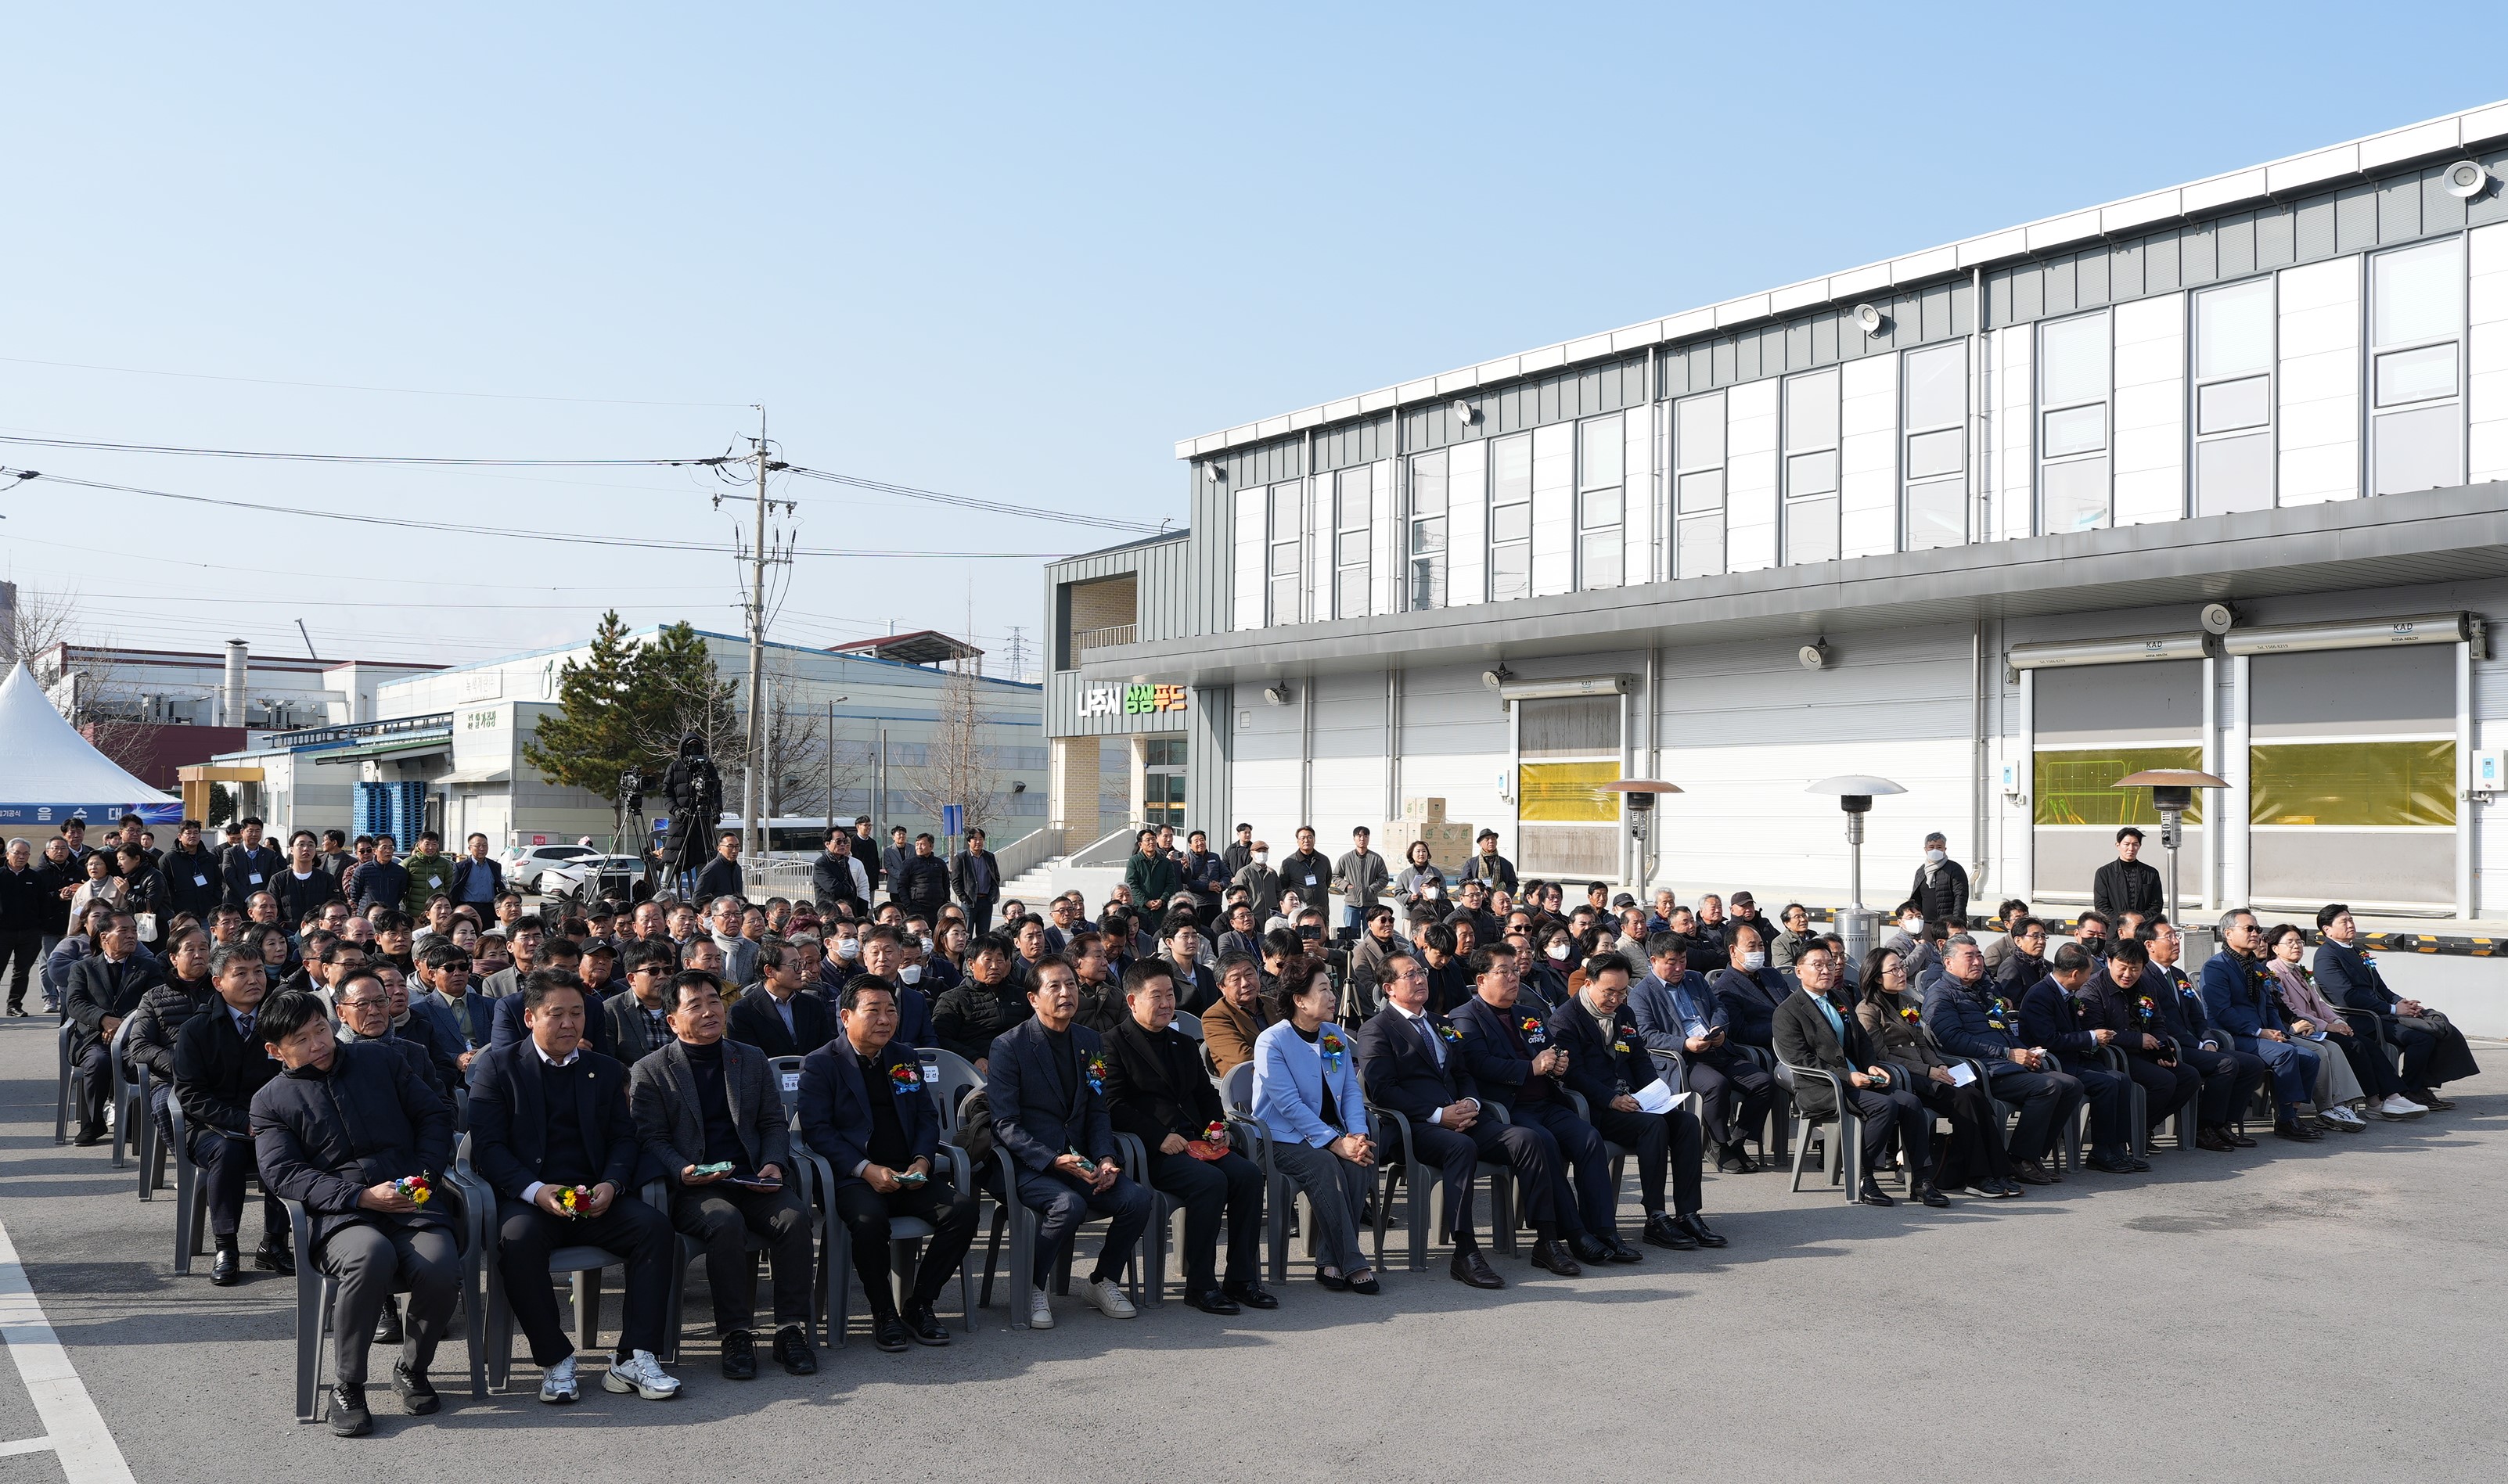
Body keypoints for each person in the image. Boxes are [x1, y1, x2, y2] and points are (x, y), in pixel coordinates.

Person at [250, 990, 461, 1437]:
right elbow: (283, 1174)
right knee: (371, 1255)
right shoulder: (270, 1101)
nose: (318, 1044)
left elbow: (434, 1116)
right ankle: (349, 1384)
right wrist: (361, 1198)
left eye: (321, 1030)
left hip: (410, 1198)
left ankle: (412, 1367)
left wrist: (420, 1179)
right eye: (302, 1039)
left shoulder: (380, 1061)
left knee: (441, 1265)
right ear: (275, 1051)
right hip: (341, 1215)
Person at [467, 972, 682, 1403]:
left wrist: (613, 1183)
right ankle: (555, 1359)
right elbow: (488, 1149)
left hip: (594, 1198)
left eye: (577, 1014)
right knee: (517, 1240)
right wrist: (534, 1191)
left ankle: (633, 1355)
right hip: (531, 1199)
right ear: (529, 1017)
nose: (569, 1024)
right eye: (556, 1014)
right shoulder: (496, 1066)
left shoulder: (603, 1070)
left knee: (655, 1229)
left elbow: (625, 1138)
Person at [628, 971, 818, 1379]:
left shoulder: (749, 1057)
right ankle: (735, 1333)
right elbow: (651, 1139)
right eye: (695, 1005)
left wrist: (773, 1163)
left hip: (751, 1177)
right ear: (673, 1021)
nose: (710, 1011)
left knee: (795, 1217)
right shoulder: (651, 1070)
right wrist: (683, 1169)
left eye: (714, 1001)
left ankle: (790, 1328)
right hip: (696, 1187)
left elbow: (772, 1123)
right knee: (725, 1222)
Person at [1356, 947, 1565, 1288]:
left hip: (1463, 1116)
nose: (1421, 978)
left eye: (1421, 972)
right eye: (1410, 975)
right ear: (1389, 987)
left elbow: (1462, 1071)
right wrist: (1439, 1115)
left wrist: (1470, 1102)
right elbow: (1383, 1090)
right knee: (1459, 1148)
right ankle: (1465, 1251)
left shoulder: (1441, 1023)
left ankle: (1547, 1239)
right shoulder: (1376, 1029)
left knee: (1528, 1139)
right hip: (1417, 1127)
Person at [797, 976, 978, 1350]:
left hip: (907, 1172)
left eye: (891, 1010)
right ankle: (884, 1313)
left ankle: (919, 1303)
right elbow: (817, 1131)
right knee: (868, 1221)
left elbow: (925, 1116)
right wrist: (866, 1169)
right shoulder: (821, 1064)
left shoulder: (903, 1057)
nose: (885, 1019)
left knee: (962, 1212)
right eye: (873, 1011)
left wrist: (923, 1161)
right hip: (854, 1178)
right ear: (846, 1016)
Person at [984, 955, 1151, 1328]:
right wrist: (1053, 1160)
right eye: (1054, 987)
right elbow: (1006, 1125)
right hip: (1026, 1163)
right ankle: (1031, 1285)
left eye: (1071, 985)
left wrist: (1106, 1158)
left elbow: (1097, 1110)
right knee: (1067, 1204)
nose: (1066, 993)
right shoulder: (1009, 1046)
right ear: (1033, 998)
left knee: (1138, 1198)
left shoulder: (1090, 1041)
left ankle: (1102, 1280)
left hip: (1080, 1160)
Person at [1103, 959, 1274, 1312]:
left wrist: (1217, 1128)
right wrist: (1158, 1136)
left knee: (1247, 1175)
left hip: (1197, 1142)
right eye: (1157, 996)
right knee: (1209, 1182)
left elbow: (1206, 1095)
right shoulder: (1111, 1044)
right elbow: (1112, 1104)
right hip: (1152, 1150)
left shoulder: (1182, 1042)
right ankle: (1200, 1284)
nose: (1167, 1003)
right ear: (1132, 1001)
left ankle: (1241, 1278)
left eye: (1170, 995)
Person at [1547, 954, 1724, 1249]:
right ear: (1589, 983)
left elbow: (1639, 1059)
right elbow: (1572, 1075)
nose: (1616, 1000)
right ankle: (1655, 1216)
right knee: (1652, 1127)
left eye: (1622, 992)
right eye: (1609, 992)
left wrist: (1656, 1093)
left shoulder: (1624, 1014)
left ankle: (1688, 1213)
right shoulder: (1566, 1019)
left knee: (1687, 1122)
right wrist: (1611, 1099)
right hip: (1595, 1106)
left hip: (1633, 1101)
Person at [1774, 941, 1945, 1207]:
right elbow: (1802, 1060)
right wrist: (1847, 1076)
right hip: (1822, 1087)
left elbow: (1863, 1041)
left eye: (1830, 964)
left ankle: (1922, 1181)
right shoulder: (1787, 1012)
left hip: (1858, 1080)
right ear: (1799, 971)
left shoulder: (1840, 998)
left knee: (1911, 1104)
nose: (1826, 971)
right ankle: (1865, 1177)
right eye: (1818, 965)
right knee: (1885, 1106)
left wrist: (1870, 1065)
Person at [1249, 954, 1380, 1295]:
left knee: (1358, 1164)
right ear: (1300, 1000)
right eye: (1324, 988)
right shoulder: (1272, 1041)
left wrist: (1356, 1134)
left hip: (1328, 1133)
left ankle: (1329, 1261)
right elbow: (1288, 1105)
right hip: (1279, 1138)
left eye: (1332, 987)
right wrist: (1335, 1143)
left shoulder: (1333, 1034)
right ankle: (1353, 1261)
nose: (1333, 995)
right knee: (1327, 1165)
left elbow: (1351, 1090)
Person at [1853, 946, 2017, 1198]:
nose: (1901, 973)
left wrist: (1939, 1065)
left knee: (1976, 1096)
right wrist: (1927, 1071)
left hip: (1928, 1070)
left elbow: (1921, 1043)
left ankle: (1999, 1171)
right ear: (1877, 977)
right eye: (1894, 969)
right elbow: (1879, 1056)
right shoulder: (1868, 1010)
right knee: (1963, 1101)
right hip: (1903, 1077)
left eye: (1902, 967)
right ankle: (1977, 1177)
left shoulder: (1907, 1001)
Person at [1922, 936, 2087, 1184]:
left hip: (2007, 1065)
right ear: (1948, 962)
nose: (1978, 961)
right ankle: (2018, 1159)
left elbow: (2005, 1031)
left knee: (2072, 1085)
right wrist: (2007, 1054)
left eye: (1978, 955)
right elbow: (1952, 1040)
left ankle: (2032, 1156)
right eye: (1970, 957)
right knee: (2048, 1087)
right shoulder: (1942, 995)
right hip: (1984, 1071)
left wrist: (2026, 1053)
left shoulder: (1983, 991)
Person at [173, 943, 292, 1281]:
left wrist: (271, 1122)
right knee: (228, 1152)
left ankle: (275, 1243)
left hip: (270, 1123)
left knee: (287, 1146)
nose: (253, 979)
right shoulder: (197, 1029)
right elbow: (190, 1094)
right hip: (212, 1127)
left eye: (258, 971)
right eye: (240, 973)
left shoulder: (279, 1022)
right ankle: (227, 1246)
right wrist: (242, 1122)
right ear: (218, 983)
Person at [1628, 932, 1774, 1174]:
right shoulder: (1642, 993)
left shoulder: (1695, 979)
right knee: (1716, 1085)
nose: (1678, 968)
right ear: (1654, 961)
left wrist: (1719, 1030)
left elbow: (1718, 1007)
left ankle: (1736, 1140)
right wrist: (1685, 1043)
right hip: (1684, 1058)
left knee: (1764, 1082)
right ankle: (1718, 1144)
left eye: (1683, 960)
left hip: (1716, 1048)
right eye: (1671, 962)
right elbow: (1646, 1035)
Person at [2315, 904, 2477, 1110]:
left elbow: (2381, 988)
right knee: (2421, 1038)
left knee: (2438, 1027)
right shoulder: (2327, 956)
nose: (2350, 924)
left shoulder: (2358, 951)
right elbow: (2347, 997)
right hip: (2362, 1019)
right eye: (2343, 921)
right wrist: (2392, 1010)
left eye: (2351, 919)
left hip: (2382, 1013)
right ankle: (2408, 1091)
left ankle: (2418, 1087)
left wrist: (2402, 1003)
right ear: (2327, 929)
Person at [2262, 923, 2408, 1125]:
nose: (2296, 946)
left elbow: (2320, 1004)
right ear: (2276, 948)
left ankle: (2391, 1097)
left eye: (2299, 942)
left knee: (2365, 1042)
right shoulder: (2274, 971)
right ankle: (2367, 1102)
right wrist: (2326, 1026)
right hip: (2301, 1028)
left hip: (2316, 1025)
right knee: (2351, 1046)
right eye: (2290, 942)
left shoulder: (2298, 970)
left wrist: (2337, 1021)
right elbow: (2290, 1010)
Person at [2141, 918, 2267, 1151]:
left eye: (2175, 935)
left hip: (2195, 1044)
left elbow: (2198, 1016)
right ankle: (2203, 1128)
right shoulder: (2144, 976)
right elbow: (2163, 1023)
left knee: (2252, 1064)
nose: (2176, 941)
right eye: (2169, 937)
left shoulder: (2177, 974)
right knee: (2226, 1064)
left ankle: (2223, 1124)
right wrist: (2199, 1045)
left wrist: (2208, 1038)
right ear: (2150, 945)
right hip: (2171, 1047)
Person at [2015, 944, 2143, 1173]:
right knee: (2107, 1084)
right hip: (2054, 1062)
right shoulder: (2040, 995)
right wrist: (2091, 1037)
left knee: (2122, 1080)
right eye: (2088, 972)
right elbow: (2049, 1040)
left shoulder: (2066, 993)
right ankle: (2101, 1151)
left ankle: (2117, 1148)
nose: (2091, 976)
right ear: (2075, 974)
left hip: (2074, 1059)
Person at [2200, 910, 2325, 1144]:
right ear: (2228, 934)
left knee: (2310, 1058)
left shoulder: (2257, 968)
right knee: (2287, 1054)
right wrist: (2260, 1032)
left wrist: (2280, 1033)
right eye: (2249, 929)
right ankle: (2286, 1120)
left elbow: (2270, 1007)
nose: (2256, 934)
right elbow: (2222, 1012)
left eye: (2258, 929)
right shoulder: (2216, 967)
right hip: (2233, 1036)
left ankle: (2289, 1117)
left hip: (2262, 1035)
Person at [2073, 939, 2207, 1150]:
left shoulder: (2146, 984)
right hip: (2114, 1054)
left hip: (2145, 1050)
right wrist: (2138, 1040)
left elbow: (2158, 1021)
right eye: (2123, 968)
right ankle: (2129, 1133)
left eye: (2134, 969)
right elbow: (2097, 1032)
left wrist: (2162, 1047)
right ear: (2109, 962)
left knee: (2189, 1077)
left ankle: (2142, 1127)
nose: (2128, 975)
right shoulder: (2093, 990)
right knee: (2163, 1082)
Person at [64, 909, 160, 1145]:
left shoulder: (149, 966)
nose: (132, 935)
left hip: (134, 1037)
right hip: (95, 1037)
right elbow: (74, 1003)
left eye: (134, 931)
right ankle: (93, 1123)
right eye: (124, 930)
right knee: (98, 1061)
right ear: (104, 937)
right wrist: (104, 1019)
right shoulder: (83, 968)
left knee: (139, 1065)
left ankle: (131, 1123)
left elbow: (154, 1000)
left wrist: (124, 1024)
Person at [931, 933, 1030, 1071]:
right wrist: (973, 1058)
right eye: (988, 959)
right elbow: (941, 1038)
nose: (994, 966)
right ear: (971, 964)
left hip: (1019, 1065)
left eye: (1000, 960)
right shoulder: (954, 999)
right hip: (974, 1072)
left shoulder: (1021, 995)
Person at [726, 938, 833, 1057]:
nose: (800, 970)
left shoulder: (813, 1005)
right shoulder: (742, 1011)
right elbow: (748, 1060)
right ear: (769, 971)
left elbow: (825, 1050)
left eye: (801, 963)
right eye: (794, 965)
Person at [1709, 921, 1790, 1051]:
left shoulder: (1771, 974)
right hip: (1771, 1050)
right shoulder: (1724, 989)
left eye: (1761, 945)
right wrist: (1786, 1028)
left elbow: (1792, 1004)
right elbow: (1740, 1033)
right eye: (1752, 947)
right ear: (1733, 950)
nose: (1758, 951)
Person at [1200, 950, 1274, 1080]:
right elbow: (1244, 1059)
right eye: (1236, 979)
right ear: (1222, 987)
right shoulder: (1214, 1017)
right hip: (1247, 1086)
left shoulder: (1272, 1003)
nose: (1245, 983)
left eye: (1249, 974)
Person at [2092, 828, 2165, 920]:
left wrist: (2139, 919)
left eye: (2135, 844)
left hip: (2143, 929)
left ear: (2139, 846)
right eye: (2126, 844)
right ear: (2118, 845)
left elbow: (2157, 905)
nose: (2131, 848)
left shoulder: (2151, 873)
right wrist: (2123, 922)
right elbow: (2101, 906)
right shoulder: (2104, 873)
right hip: (2115, 928)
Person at [1330, 826, 1388, 933]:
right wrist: (1346, 886)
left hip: (1371, 904)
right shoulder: (1346, 858)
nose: (1362, 839)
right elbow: (1336, 876)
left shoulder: (1376, 859)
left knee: (1371, 935)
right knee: (1351, 935)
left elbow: (1384, 878)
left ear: (1369, 838)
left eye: (1365, 836)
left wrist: (1372, 888)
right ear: (1354, 838)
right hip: (1352, 904)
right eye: (1359, 836)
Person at [218, 817, 285, 912]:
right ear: (242, 832)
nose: (254, 834)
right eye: (250, 831)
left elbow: (272, 878)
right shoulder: (230, 853)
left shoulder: (269, 854)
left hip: (261, 905)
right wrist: (248, 898)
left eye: (258, 831)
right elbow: (230, 879)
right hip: (236, 904)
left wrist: (261, 898)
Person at [1907, 831, 1969, 929]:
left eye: (1939, 847)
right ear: (1925, 849)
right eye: (1931, 847)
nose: (1935, 850)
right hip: (1926, 924)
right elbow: (1916, 897)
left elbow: (1960, 897)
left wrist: (1955, 922)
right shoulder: (1921, 871)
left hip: (1948, 924)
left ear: (1945, 849)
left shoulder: (1954, 869)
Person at [948, 828, 1002, 936]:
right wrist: (964, 897)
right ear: (969, 841)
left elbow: (996, 877)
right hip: (969, 902)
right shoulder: (961, 858)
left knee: (984, 935)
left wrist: (992, 895)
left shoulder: (989, 857)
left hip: (986, 901)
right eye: (975, 839)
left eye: (981, 839)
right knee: (966, 933)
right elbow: (955, 881)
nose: (978, 842)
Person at [810, 828, 869, 918]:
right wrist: (849, 889)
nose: (842, 845)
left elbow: (858, 887)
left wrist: (862, 911)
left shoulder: (845, 861)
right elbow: (834, 888)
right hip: (829, 913)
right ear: (827, 844)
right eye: (838, 842)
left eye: (845, 841)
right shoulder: (821, 864)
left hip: (848, 910)